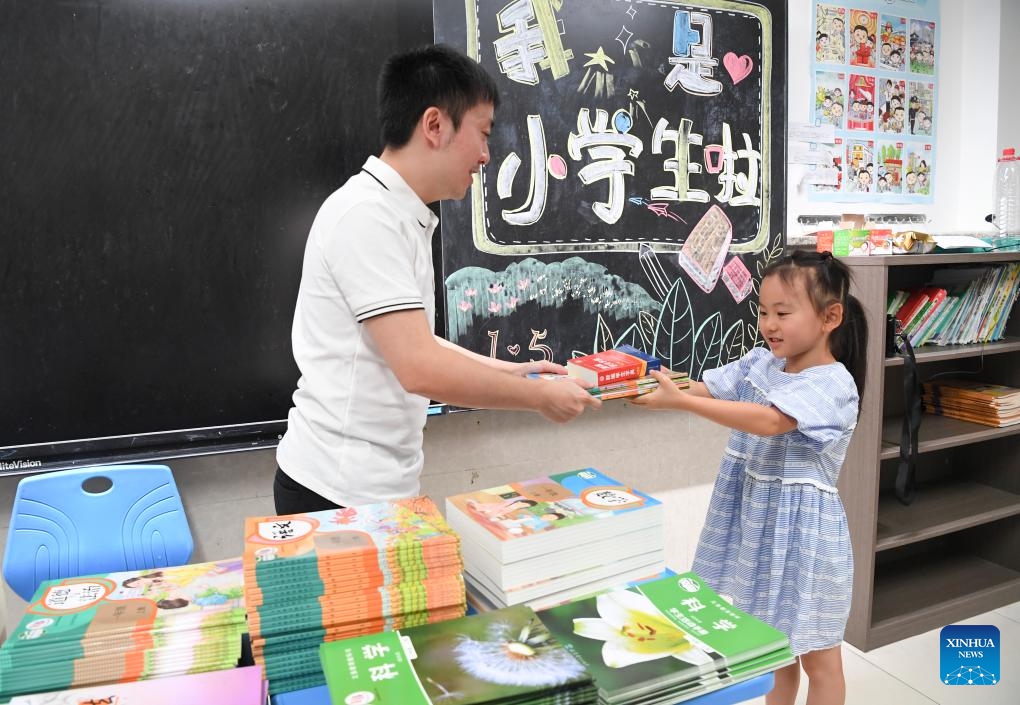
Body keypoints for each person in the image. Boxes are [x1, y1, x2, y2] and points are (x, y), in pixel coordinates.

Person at [275, 45, 601, 515]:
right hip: (333, 490)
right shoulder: (366, 216)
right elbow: (419, 368)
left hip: (375, 486)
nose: (486, 156)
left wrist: (516, 371)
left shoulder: (399, 214)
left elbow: (418, 343)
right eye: (483, 134)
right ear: (434, 125)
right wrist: (537, 397)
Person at [632, 251, 868, 705]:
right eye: (762, 312)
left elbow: (769, 421)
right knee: (773, 650)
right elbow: (704, 386)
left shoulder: (834, 384)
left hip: (805, 541)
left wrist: (679, 404)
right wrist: (647, 382)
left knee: (820, 659)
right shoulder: (762, 364)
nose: (769, 324)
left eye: (783, 312)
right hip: (759, 531)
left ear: (830, 316)